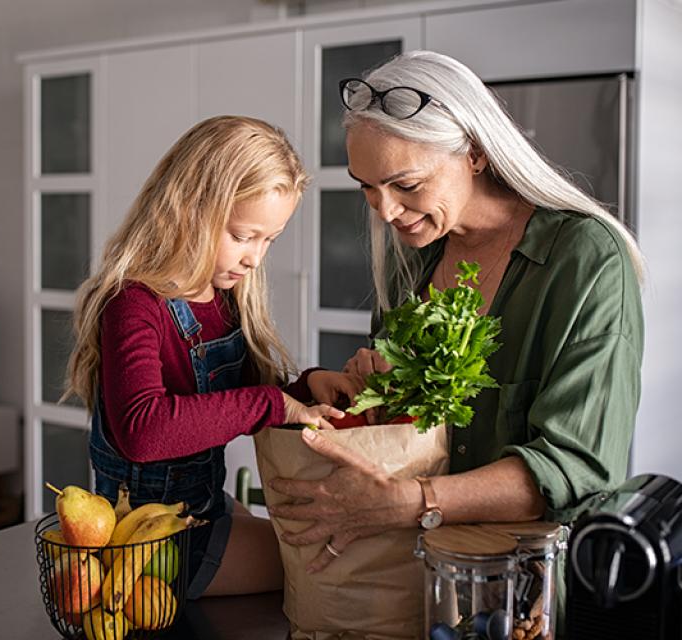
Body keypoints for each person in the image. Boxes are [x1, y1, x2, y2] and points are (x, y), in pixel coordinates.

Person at [266, 50, 645, 599]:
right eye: (367, 186)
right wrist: (372, 389)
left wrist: (409, 503)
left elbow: (577, 467)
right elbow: (405, 431)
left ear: (473, 152)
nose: (386, 211)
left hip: (528, 600)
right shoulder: (409, 260)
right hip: (412, 585)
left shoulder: (584, 261)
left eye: (406, 185)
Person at [65, 115, 355, 599]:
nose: (255, 258)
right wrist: (273, 404)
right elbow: (144, 431)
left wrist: (304, 388)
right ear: (188, 209)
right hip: (148, 547)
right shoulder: (134, 304)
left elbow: (239, 395)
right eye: (244, 236)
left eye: (270, 240)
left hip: (199, 507)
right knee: (321, 567)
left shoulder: (224, 296)